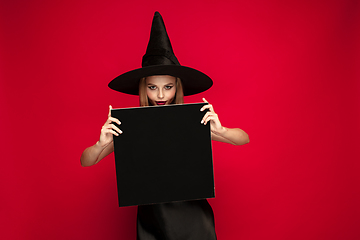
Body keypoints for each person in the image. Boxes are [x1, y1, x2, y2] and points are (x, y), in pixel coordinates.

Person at [81, 12, 249, 240]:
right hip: (151, 222)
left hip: (193, 220)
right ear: (143, 88)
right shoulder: (132, 125)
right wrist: (101, 144)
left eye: (168, 86)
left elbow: (244, 138)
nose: (160, 94)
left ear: (177, 86)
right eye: (152, 87)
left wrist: (221, 131)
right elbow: (86, 161)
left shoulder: (191, 119)